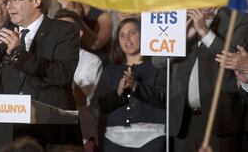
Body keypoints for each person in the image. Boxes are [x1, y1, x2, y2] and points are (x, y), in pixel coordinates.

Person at [0, 0, 81, 147]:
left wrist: (19, 53)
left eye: (15, 0)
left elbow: (62, 74)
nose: (8, 7)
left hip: (53, 135)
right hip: (14, 138)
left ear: (36, 0)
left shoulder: (64, 30)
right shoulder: (4, 38)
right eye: (7, 1)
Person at [170, 8, 248, 152]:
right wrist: (183, 38)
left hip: (220, 122)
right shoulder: (180, 20)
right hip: (183, 122)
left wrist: (205, 32)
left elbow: (238, 60)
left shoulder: (239, 19)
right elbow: (158, 61)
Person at [97, 17, 166, 152]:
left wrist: (136, 86)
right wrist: (118, 91)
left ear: (144, 35)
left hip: (151, 138)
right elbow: (102, 104)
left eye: (132, 33)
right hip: (115, 140)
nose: (127, 38)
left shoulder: (158, 66)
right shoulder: (110, 70)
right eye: (122, 35)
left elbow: (163, 98)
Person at [55, 9, 103, 152]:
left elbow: (83, 101)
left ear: (80, 34)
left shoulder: (92, 61)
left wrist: (65, 74)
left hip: (81, 138)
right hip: (51, 134)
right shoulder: (42, 58)